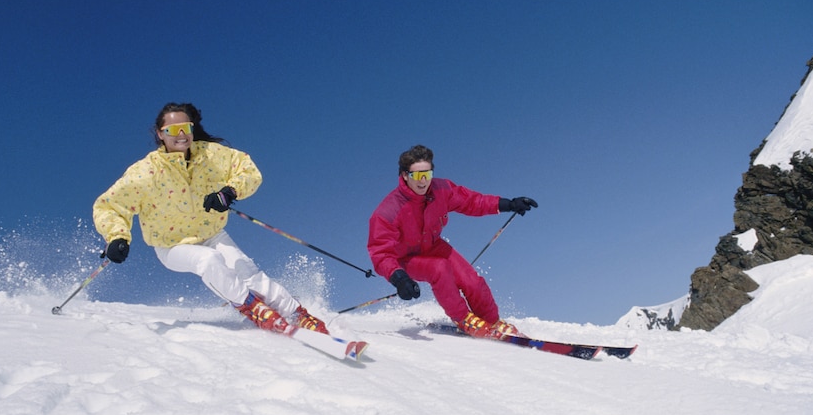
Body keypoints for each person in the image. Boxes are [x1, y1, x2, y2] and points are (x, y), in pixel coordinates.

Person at [93, 102, 328, 335]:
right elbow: (110, 205)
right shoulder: (146, 172)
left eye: (186, 127)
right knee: (208, 261)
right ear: (160, 134)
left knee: (247, 271)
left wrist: (229, 191)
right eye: (173, 130)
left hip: (211, 233)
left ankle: (297, 314)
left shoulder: (210, 155)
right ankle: (252, 308)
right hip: (172, 246)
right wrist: (117, 237)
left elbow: (247, 169)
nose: (181, 135)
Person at [367, 144, 537, 340]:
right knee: (439, 269)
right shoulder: (389, 210)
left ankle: (492, 322)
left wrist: (507, 204)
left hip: (433, 245)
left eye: (427, 174)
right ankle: (464, 319)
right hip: (405, 258)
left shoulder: (441, 189)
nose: (423, 181)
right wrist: (399, 278)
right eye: (416, 176)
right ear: (405, 176)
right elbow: (380, 252)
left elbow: (471, 201)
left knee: (471, 280)